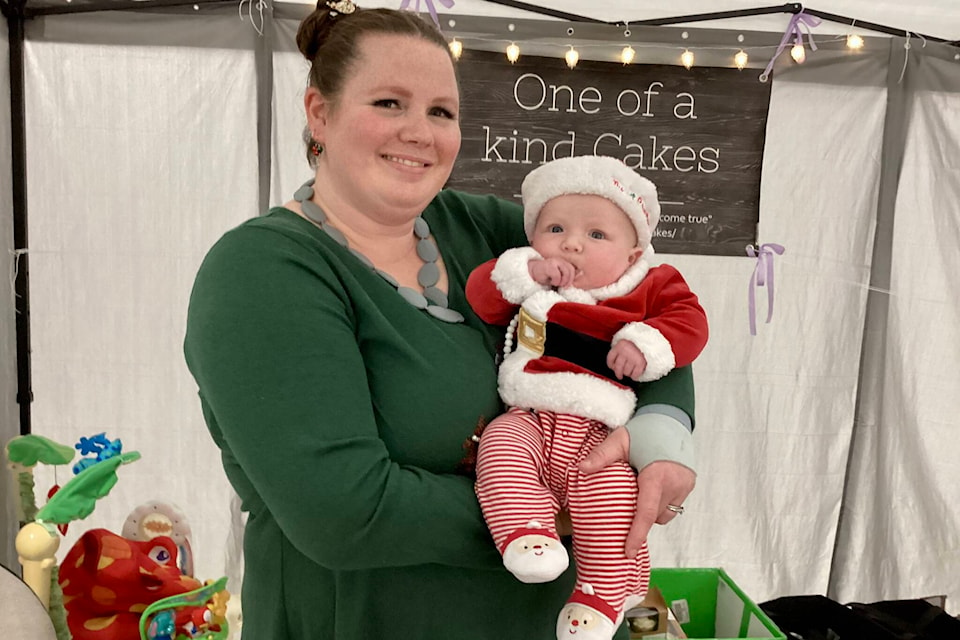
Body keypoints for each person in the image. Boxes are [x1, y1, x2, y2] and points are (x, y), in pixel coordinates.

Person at [183, 3, 699, 639]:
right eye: (389, 104)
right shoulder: (261, 273)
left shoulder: (486, 228)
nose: (420, 132)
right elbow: (347, 512)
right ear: (320, 112)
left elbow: (644, 303)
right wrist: (567, 507)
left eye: (441, 112)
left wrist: (661, 438)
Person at [465, 155, 708, 640]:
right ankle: (527, 532)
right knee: (500, 450)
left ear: (634, 254)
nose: (572, 243)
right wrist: (529, 270)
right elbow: (483, 294)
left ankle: (601, 594)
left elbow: (690, 322)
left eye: (597, 235)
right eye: (555, 228)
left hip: (599, 433)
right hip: (530, 415)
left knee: (613, 501)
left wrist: (645, 344)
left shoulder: (647, 285)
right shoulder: (532, 277)